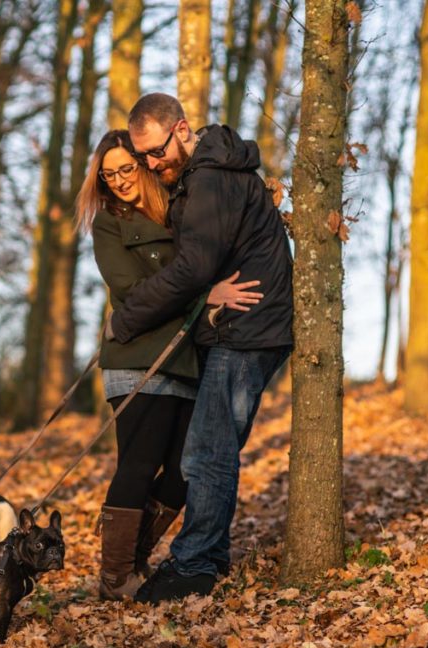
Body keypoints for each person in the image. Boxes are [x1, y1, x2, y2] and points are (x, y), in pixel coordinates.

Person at [105, 94, 294, 604]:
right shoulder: (200, 175)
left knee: (206, 452)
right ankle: (207, 557)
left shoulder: (209, 179)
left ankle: (194, 565)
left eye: (154, 151)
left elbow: (192, 268)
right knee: (212, 449)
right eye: (142, 156)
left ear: (182, 129)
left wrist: (126, 318)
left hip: (247, 328)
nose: (149, 163)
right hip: (233, 327)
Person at [76, 129, 263, 600]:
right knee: (138, 466)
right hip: (137, 359)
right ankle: (116, 577)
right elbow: (136, 293)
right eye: (108, 173)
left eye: (126, 168)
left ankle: (134, 561)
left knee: (184, 473)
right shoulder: (108, 224)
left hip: (185, 359)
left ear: (142, 164)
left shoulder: (180, 208)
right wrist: (206, 294)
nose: (118, 180)